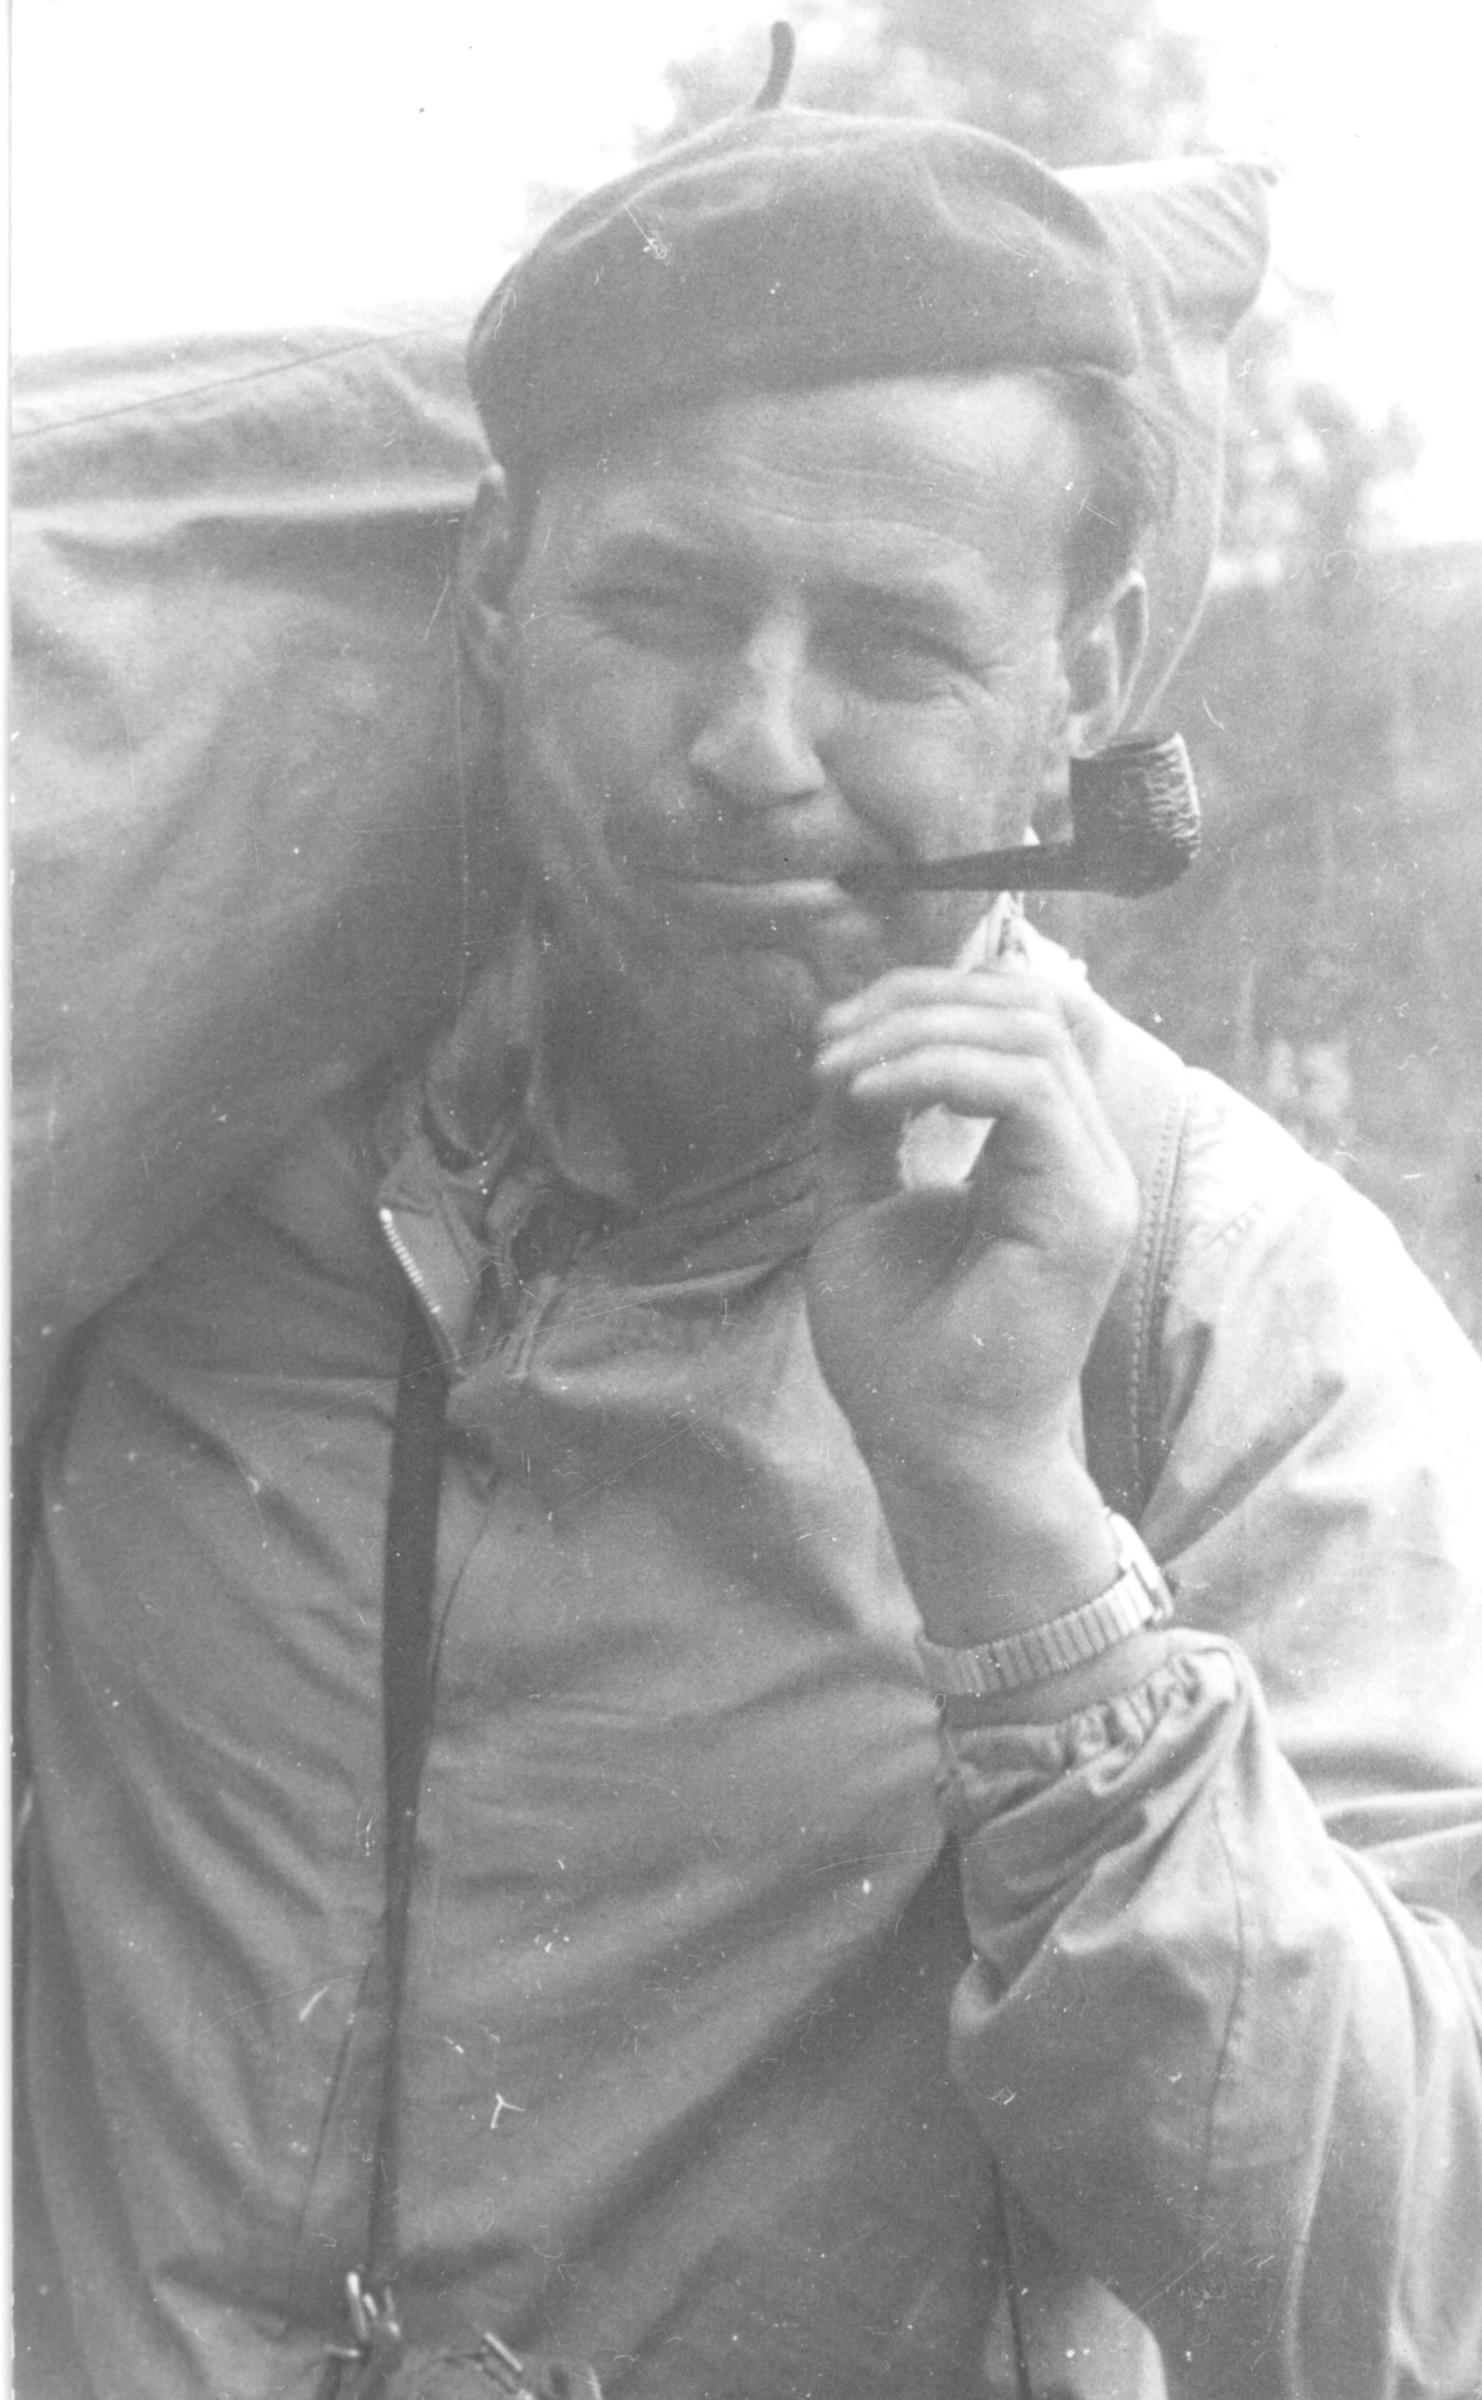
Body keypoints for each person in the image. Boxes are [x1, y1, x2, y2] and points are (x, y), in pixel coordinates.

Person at [16, 68, 1482, 2400]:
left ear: (1089, 677)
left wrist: (1010, 1534)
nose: (755, 748)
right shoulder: (162, 1160)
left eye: (893, 647)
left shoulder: (1225, 1301)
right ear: (493, 591)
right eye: (662, 607)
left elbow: (1406, 2291)